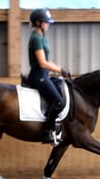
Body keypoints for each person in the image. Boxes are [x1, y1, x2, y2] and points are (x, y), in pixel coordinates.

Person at [27, 8, 70, 144]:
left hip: (43, 74)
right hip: (38, 75)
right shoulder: (36, 39)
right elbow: (42, 63)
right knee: (57, 101)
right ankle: (48, 132)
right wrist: (60, 70)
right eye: (46, 22)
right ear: (38, 22)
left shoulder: (41, 38)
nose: (49, 24)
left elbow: (47, 61)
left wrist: (59, 69)